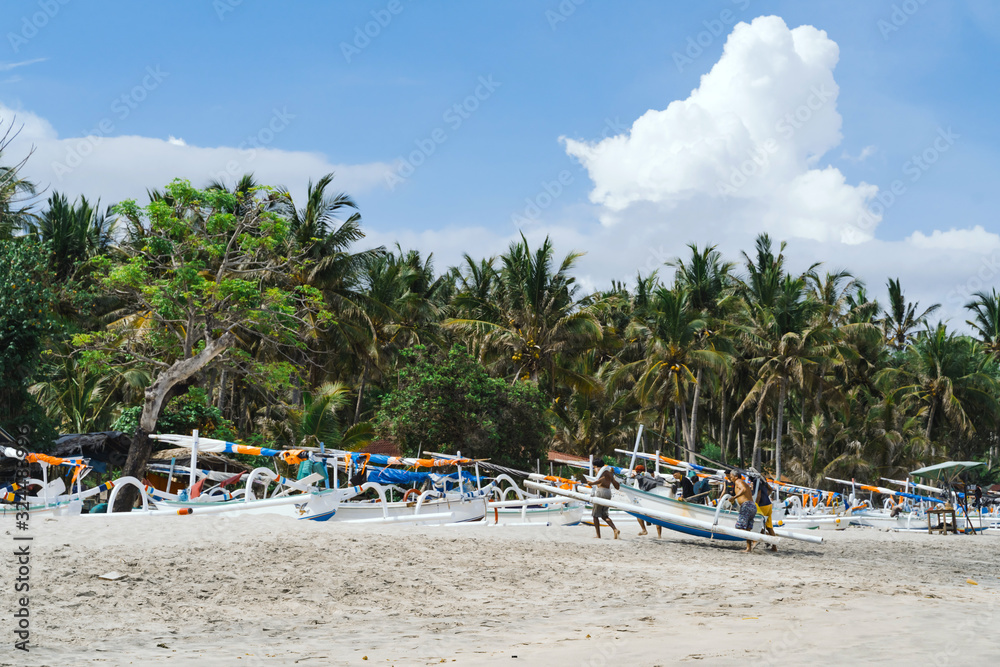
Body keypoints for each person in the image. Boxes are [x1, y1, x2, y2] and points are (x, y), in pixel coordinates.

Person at [750, 470, 777, 552]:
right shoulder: (762, 480)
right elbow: (771, 489)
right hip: (768, 504)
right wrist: (765, 496)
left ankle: (755, 541)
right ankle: (774, 547)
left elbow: (758, 494)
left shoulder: (755, 481)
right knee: (769, 527)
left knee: (754, 523)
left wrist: (755, 505)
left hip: (762, 506)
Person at [591, 462, 620, 539]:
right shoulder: (609, 473)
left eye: (594, 467)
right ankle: (615, 529)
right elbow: (616, 486)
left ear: (596, 466)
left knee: (595, 515)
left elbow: (601, 480)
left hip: (601, 492)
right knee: (604, 515)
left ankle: (598, 535)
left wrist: (592, 483)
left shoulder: (599, 471)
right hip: (608, 492)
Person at [732, 471, 758, 553]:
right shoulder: (744, 483)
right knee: (747, 529)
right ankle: (748, 548)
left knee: (739, 527)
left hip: (746, 506)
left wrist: (734, 497)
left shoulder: (738, 481)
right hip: (752, 506)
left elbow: (743, 489)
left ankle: (755, 540)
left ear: (736, 476)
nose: (730, 478)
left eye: (731, 476)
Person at [633, 465, 662, 538]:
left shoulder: (642, 476)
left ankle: (644, 530)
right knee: (657, 517)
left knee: (638, 514)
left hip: (644, 499)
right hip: (653, 499)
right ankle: (659, 535)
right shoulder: (649, 477)